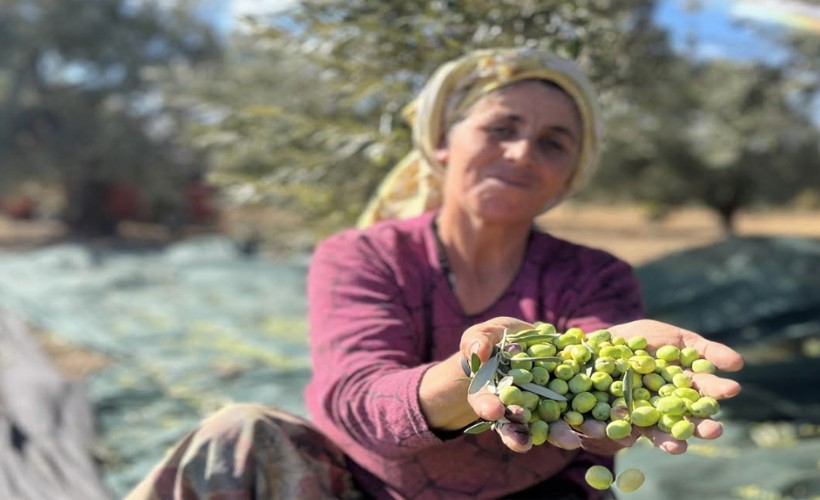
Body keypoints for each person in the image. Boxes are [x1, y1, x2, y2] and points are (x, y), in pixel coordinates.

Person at [127, 47, 744, 500]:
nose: (523, 152)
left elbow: (599, 392)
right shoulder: (365, 255)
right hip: (363, 488)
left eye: (553, 143)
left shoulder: (593, 274)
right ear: (443, 142)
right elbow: (355, 398)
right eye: (500, 129)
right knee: (237, 432)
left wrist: (625, 395)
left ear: (569, 173)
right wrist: (472, 376)